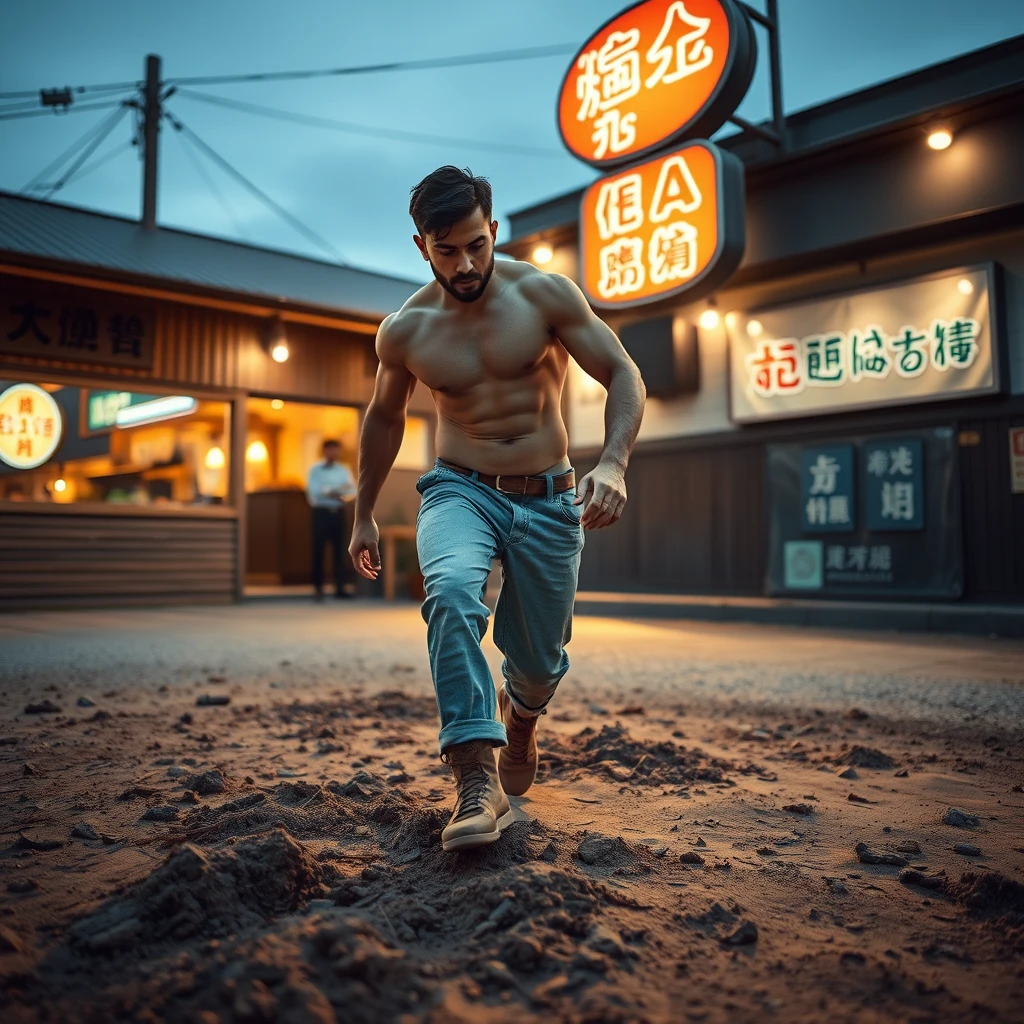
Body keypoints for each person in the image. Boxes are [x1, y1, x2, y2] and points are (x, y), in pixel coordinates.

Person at [350, 166, 646, 851]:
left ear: (493, 228)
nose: (466, 263)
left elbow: (623, 372)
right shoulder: (405, 329)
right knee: (451, 593)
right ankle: (474, 778)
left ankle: (522, 721)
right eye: (447, 250)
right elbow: (383, 419)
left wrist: (615, 462)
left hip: (548, 495)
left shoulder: (543, 294)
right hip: (460, 487)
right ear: (422, 246)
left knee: (540, 664)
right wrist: (364, 510)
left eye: (477, 245)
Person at [306, 439, 356, 601]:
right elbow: (315, 492)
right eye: (330, 449)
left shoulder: (343, 470)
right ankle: (318, 588)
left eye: (336, 450)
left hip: (339, 513)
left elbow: (352, 490)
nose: (333, 453)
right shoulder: (315, 470)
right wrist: (337, 491)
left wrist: (330, 491)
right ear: (325, 451)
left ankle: (340, 588)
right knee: (318, 550)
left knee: (340, 551)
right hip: (321, 513)